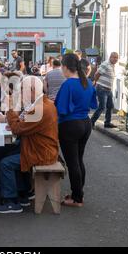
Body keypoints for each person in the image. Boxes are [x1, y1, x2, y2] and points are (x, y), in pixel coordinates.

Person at [0, 76, 59, 214]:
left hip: (41, 152)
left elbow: (17, 128)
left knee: (6, 163)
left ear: (32, 90)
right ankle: (23, 193)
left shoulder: (40, 108)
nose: (21, 92)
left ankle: (11, 202)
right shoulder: (42, 103)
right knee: (8, 153)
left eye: (23, 89)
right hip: (39, 146)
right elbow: (22, 124)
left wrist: (10, 106)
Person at [55, 53, 98, 208]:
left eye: (61, 66)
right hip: (86, 123)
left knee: (72, 162)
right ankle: (78, 193)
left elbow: (60, 108)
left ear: (65, 67)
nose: (61, 70)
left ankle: (77, 198)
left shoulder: (68, 84)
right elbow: (94, 104)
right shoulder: (87, 82)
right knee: (79, 160)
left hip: (70, 125)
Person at [91, 52, 119, 129]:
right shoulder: (106, 64)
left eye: (117, 57)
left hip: (108, 89)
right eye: (114, 57)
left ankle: (107, 123)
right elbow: (97, 73)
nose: (116, 59)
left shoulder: (112, 65)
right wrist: (95, 82)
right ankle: (91, 122)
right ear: (110, 57)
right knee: (102, 107)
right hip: (102, 88)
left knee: (110, 106)